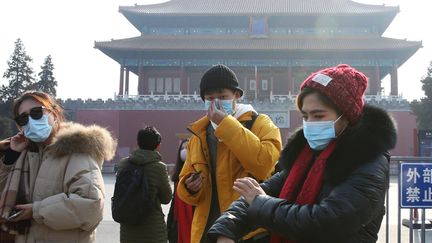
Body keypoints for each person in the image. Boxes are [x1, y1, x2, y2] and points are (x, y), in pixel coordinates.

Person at [207, 64, 397, 243]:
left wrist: (260, 202)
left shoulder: (369, 161)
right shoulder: (305, 156)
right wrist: (226, 229)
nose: (310, 123)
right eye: (305, 116)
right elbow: (261, 192)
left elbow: (324, 221)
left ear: (346, 116)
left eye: (319, 115)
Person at [177, 64, 282, 242]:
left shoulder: (260, 124)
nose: (216, 102)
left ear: (237, 95)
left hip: (248, 230)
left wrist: (226, 124)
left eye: (222, 96)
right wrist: (189, 187)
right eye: (210, 98)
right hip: (206, 230)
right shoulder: (199, 136)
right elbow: (185, 189)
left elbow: (264, 165)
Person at [0, 90, 117, 243]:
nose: (31, 121)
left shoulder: (78, 151)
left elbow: (91, 205)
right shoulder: (25, 153)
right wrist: (11, 157)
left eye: (36, 113)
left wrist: (36, 211)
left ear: (54, 115)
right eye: (23, 118)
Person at [116, 126, 172, 243]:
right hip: (152, 229)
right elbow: (166, 198)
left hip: (128, 226)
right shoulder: (159, 167)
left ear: (137, 143)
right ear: (158, 145)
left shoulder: (123, 164)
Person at [167, 139, 194, 243]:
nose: (184, 151)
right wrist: (169, 225)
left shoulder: (198, 173)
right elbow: (174, 203)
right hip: (178, 223)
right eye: (182, 148)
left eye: (187, 148)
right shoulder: (177, 175)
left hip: (193, 221)